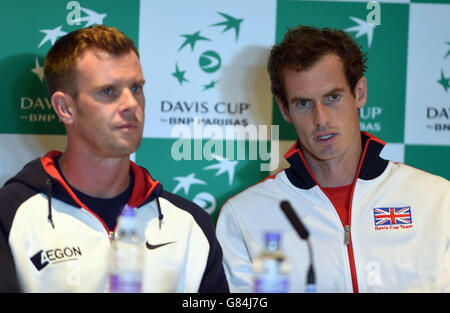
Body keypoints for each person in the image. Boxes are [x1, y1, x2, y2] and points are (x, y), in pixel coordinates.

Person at [216, 25, 450, 292]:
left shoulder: (438, 200)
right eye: (303, 103)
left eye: (333, 97)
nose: (321, 119)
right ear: (285, 109)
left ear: (359, 92)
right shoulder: (243, 215)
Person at [0, 25, 229, 293]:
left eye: (136, 88)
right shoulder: (9, 215)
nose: (131, 104)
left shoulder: (190, 224)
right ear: (65, 107)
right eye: (108, 91)